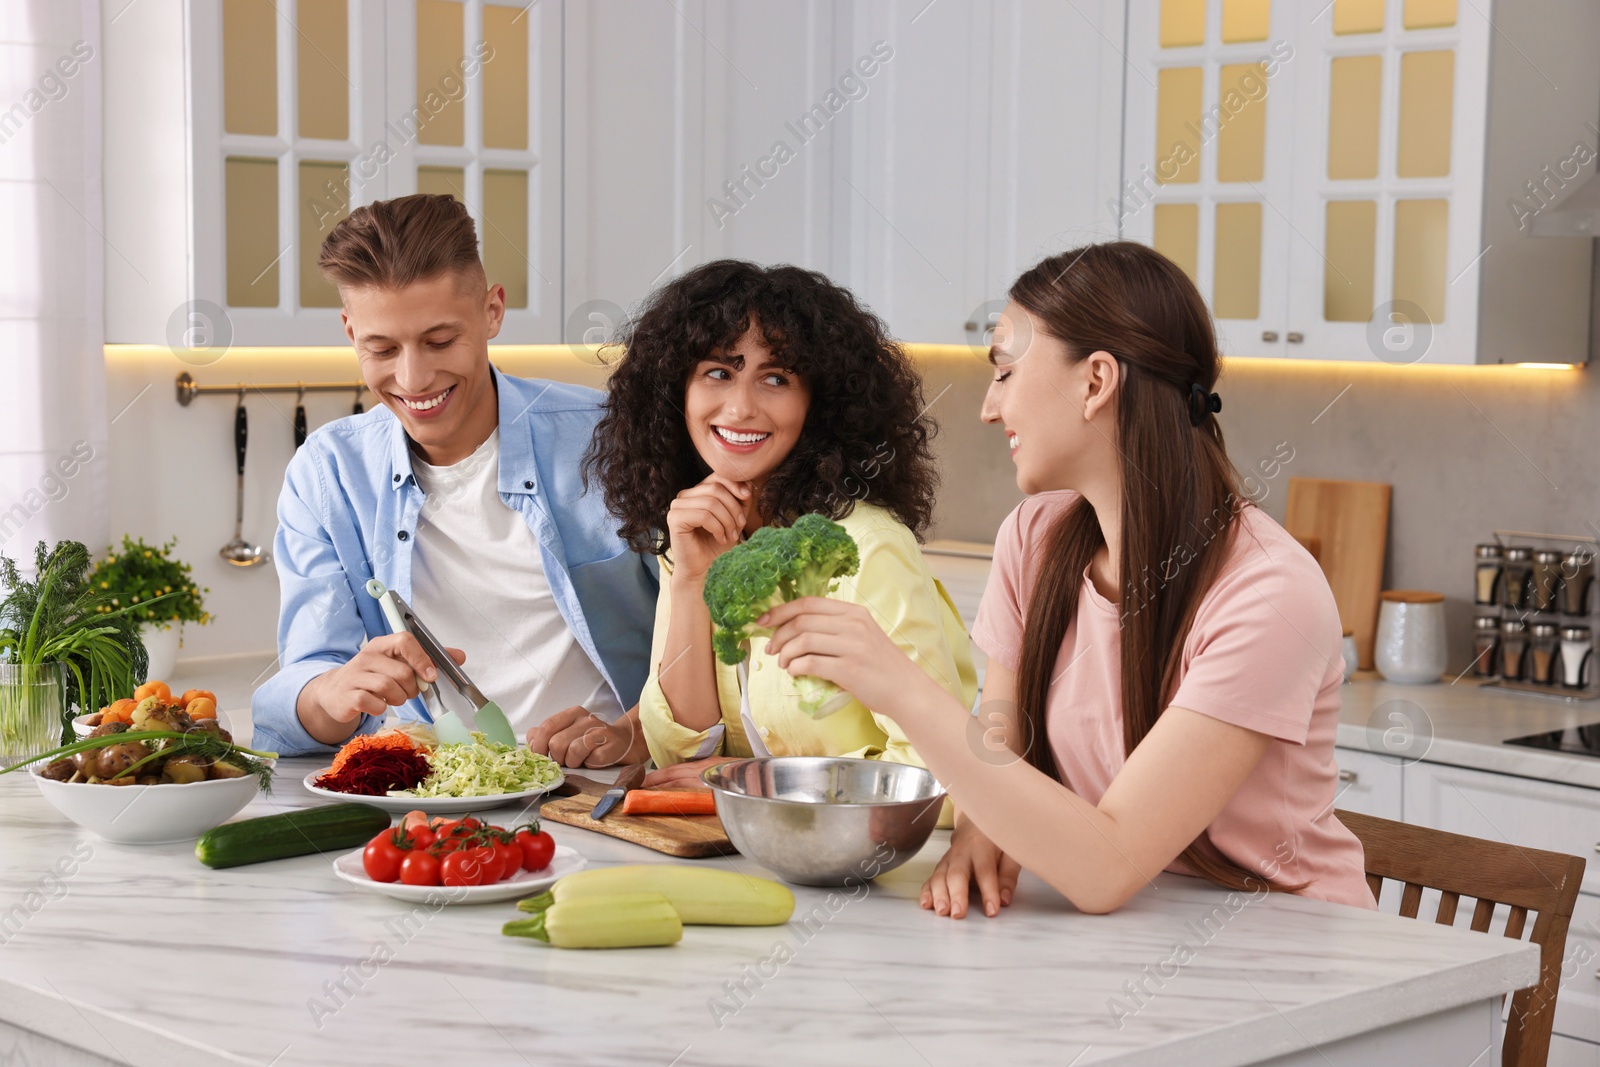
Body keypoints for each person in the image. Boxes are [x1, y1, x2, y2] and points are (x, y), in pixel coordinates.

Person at [759, 242, 1371, 915]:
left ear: (1096, 381)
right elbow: (1000, 736)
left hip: (1295, 951)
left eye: (1007, 373)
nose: (990, 409)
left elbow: (1108, 867)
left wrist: (899, 686)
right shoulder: (1036, 537)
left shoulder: (1268, 592)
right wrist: (978, 826)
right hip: (1138, 936)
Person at [533, 260, 976, 782]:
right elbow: (680, 751)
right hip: (740, 848)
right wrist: (693, 580)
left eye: (776, 378)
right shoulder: (696, 531)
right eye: (719, 373)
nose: (740, 407)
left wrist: (756, 781)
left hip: (874, 858)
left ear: (820, 404)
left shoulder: (866, 547)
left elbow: (942, 772)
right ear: (678, 392)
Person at [251, 194, 657, 758]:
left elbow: (715, 642)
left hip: (607, 790)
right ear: (350, 332)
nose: (414, 378)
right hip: (433, 800)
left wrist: (635, 732)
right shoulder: (329, 475)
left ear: (492, 311)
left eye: (440, 341)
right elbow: (300, 692)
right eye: (382, 348)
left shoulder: (609, 439)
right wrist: (333, 691)